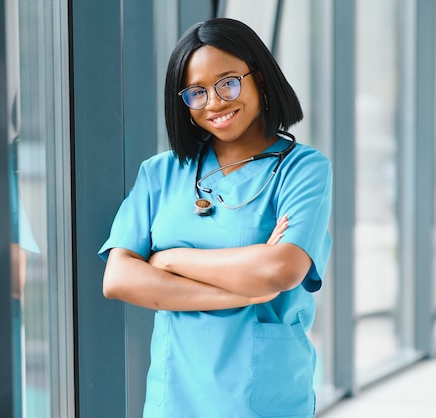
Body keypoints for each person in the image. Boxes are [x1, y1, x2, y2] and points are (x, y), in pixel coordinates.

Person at [99, 17, 332, 418]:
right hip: (174, 397)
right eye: (197, 92)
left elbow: (281, 269)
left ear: (258, 77)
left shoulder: (303, 169)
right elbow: (119, 278)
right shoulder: (161, 172)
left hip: (262, 397)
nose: (215, 103)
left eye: (228, 82)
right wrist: (244, 292)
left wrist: (170, 261)